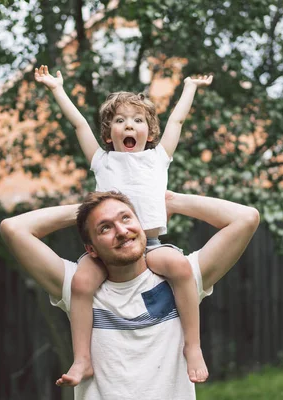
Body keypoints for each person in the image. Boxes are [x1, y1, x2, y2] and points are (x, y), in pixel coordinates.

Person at [34, 65, 214, 385]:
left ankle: (194, 346)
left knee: (181, 267)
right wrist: (56, 89)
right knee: (80, 283)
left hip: (151, 246)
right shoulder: (102, 160)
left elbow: (178, 120)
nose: (128, 125)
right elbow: (77, 123)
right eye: (120, 121)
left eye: (137, 120)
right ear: (108, 134)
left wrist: (189, 87)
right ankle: (83, 360)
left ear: (149, 132)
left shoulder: (158, 157)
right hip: (107, 252)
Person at [0, 190, 259, 400]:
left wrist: (170, 200)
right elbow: (13, 229)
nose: (122, 231)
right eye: (105, 228)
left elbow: (246, 218)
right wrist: (85, 209)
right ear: (91, 249)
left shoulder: (181, 278)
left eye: (126, 218)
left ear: (140, 224)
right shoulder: (79, 287)